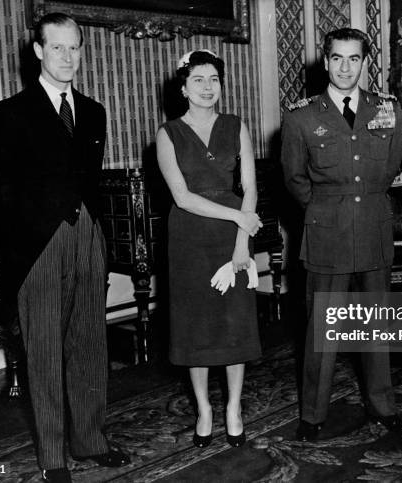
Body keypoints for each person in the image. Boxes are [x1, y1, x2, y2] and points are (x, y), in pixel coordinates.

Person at [0, 13, 130, 483]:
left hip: (86, 234)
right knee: (42, 351)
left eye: (75, 48)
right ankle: (51, 458)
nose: (68, 57)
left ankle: (89, 439)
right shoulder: (10, 113)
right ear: (39, 52)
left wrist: (96, 237)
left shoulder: (93, 111)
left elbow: (87, 180)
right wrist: (20, 252)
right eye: (58, 48)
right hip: (37, 246)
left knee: (88, 343)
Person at [281, 28, 402, 441]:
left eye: (354, 59)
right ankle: (313, 415)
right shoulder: (301, 115)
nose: (345, 67)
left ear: (364, 62)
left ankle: (383, 406)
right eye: (337, 58)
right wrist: (324, 210)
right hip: (327, 233)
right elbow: (294, 177)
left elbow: (390, 166)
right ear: (326, 61)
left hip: (373, 228)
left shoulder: (388, 109)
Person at [156, 50, 262, 449]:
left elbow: (249, 188)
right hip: (189, 238)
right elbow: (182, 197)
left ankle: (234, 408)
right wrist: (237, 218)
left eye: (214, 79)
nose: (207, 87)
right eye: (198, 79)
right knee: (195, 328)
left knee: (235, 326)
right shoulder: (168, 133)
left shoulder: (235, 126)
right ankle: (204, 409)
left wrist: (240, 244)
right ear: (183, 87)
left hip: (232, 236)